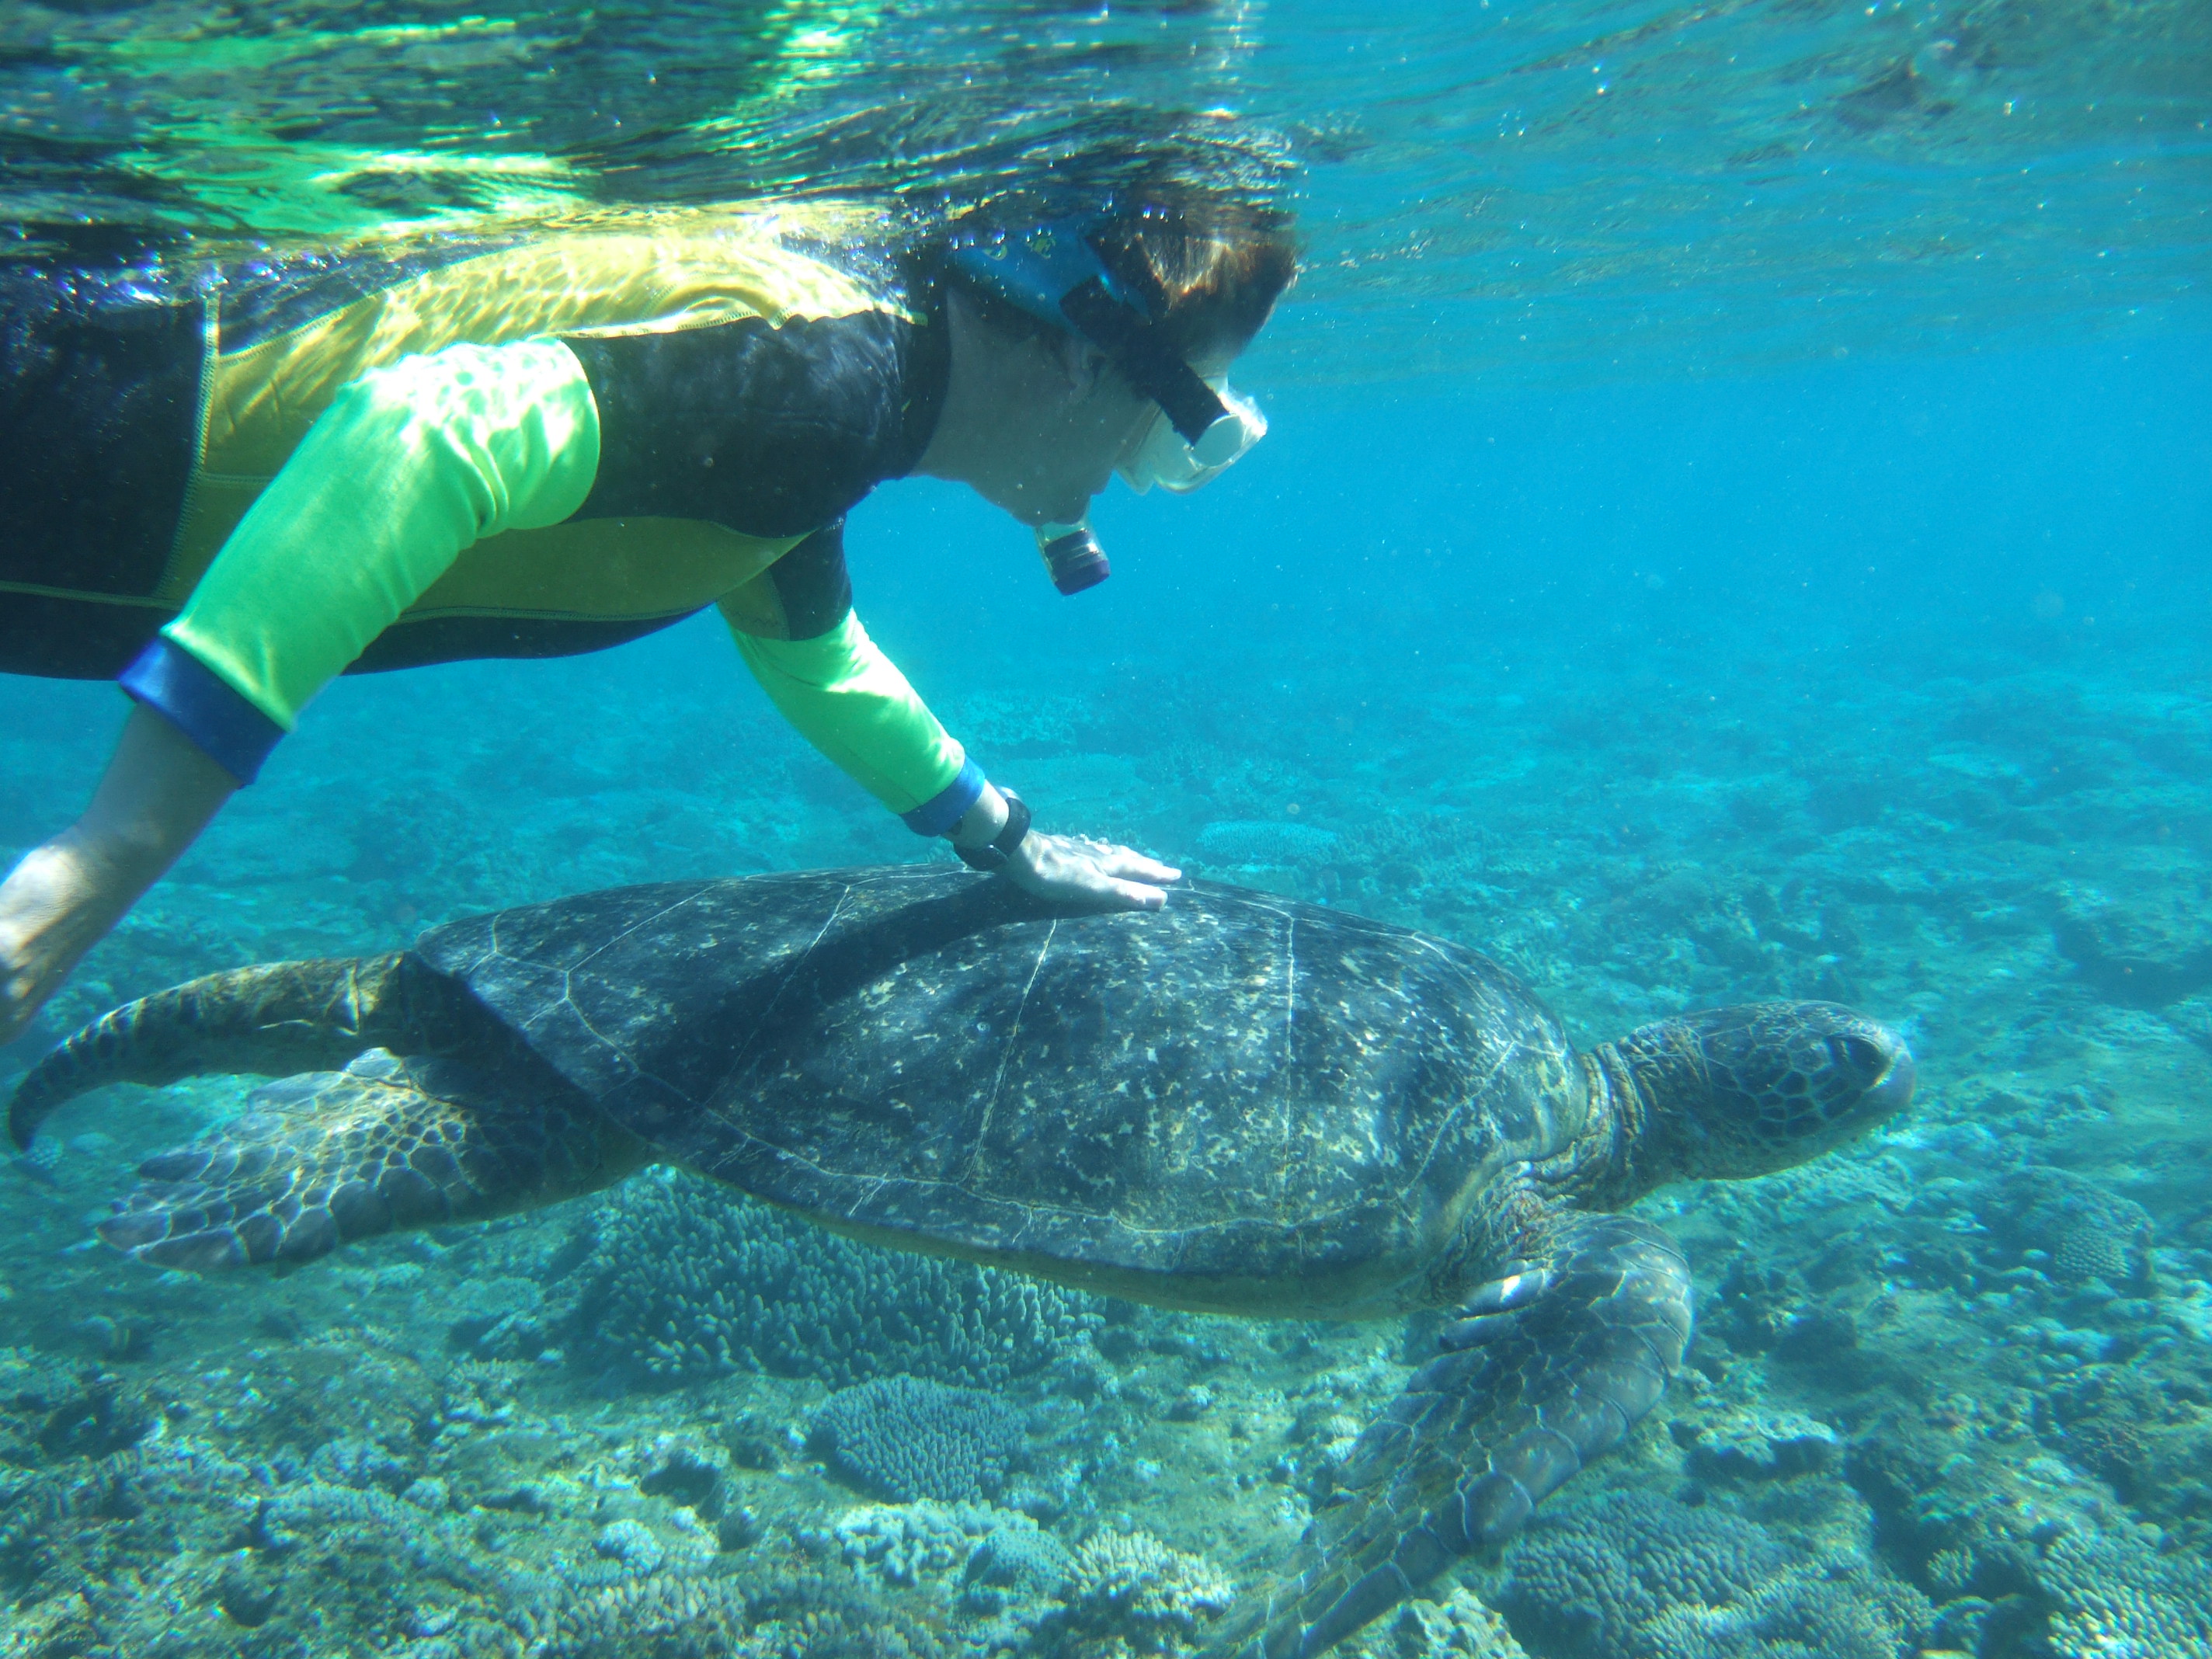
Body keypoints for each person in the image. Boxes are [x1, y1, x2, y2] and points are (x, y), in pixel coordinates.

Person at [0, 193, 1298, 1047]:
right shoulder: (834, 384)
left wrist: (1006, 841)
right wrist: (101, 859)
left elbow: (815, 654)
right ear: (1089, 350)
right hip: (69, 438)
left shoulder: (855, 395)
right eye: (1188, 430)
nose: (1146, 475)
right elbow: (424, 429)